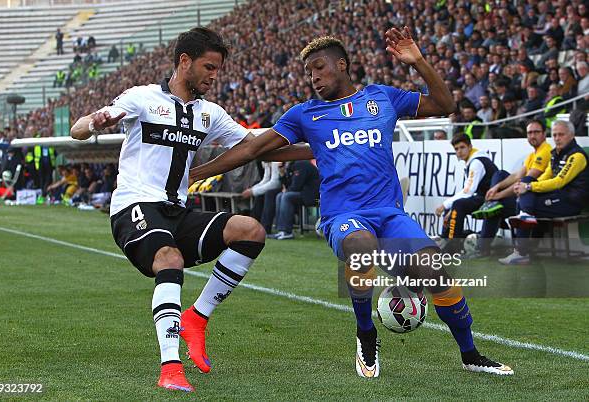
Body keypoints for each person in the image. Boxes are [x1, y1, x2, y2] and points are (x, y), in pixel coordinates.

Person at [190, 29, 513, 377]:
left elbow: (446, 106)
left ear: (341, 65)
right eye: (308, 72)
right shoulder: (305, 114)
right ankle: (365, 333)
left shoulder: (382, 98)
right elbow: (254, 148)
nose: (313, 77)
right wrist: (194, 173)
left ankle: (470, 354)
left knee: (433, 268)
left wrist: (418, 61)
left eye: (319, 67)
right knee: (362, 245)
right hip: (342, 216)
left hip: (390, 214)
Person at [69, 27, 283, 393]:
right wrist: (93, 123)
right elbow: (78, 129)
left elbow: (257, 146)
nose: (214, 76)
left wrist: (321, 149)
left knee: (250, 230)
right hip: (134, 206)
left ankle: (196, 318)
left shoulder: (209, 113)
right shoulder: (142, 98)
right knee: (169, 259)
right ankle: (170, 367)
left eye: (217, 69)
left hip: (176, 212)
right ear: (184, 62)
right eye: (209, 67)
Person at [500, 121, 589, 265]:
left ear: (571, 135)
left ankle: (521, 252)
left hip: (571, 202)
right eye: (554, 135)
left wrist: (528, 187)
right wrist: (525, 185)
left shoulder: (577, 156)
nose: (557, 138)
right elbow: (544, 177)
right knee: (528, 183)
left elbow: (559, 182)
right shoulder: (555, 154)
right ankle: (524, 245)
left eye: (561, 134)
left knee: (525, 201)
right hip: (557, 197)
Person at [472, 120, 551, 256]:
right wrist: (496, 187)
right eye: (529, 133)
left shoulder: (545, 151)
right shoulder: (533, 154)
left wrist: (498, 196)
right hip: (524, 194)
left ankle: (482, 248)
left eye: (536, 132)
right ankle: (492, 204)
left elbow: (526, 181)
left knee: (496, 207)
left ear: (544, 134)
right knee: (500, 174)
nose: (532, 136)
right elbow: (517, 175)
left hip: (533, 199)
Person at [434, 133, 497, 254]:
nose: (459, 151)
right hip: (483, 197)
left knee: (457, 204)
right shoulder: (474, 160)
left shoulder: (476, 163)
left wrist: (444, 205)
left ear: (470, 146)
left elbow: (468, 191)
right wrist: (448, 206)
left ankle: (453, 246)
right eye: (456, 149)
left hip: (490, 200)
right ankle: (446, 242)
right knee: (453, 205)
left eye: (462, 147)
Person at [271, 160, 319, 240]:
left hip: (313, 196)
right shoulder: (291, 165)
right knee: (280, 195)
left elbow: (296, 186)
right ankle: (281, 231)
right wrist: (282, 174)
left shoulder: (301, 164)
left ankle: (287, 232)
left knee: (286, 196)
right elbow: (289, 185)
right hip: (303, 193)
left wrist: (287, 190)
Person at [241, 161, 281, 235]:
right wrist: (252, 189)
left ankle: (265, 228)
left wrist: (253, 191)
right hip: (275, 187)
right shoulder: (266, 161)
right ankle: (253, 224)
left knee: (268, 194)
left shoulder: (275, 161)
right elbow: (265, 180)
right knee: (260, 195)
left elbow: (275, 183)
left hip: (282, 187)